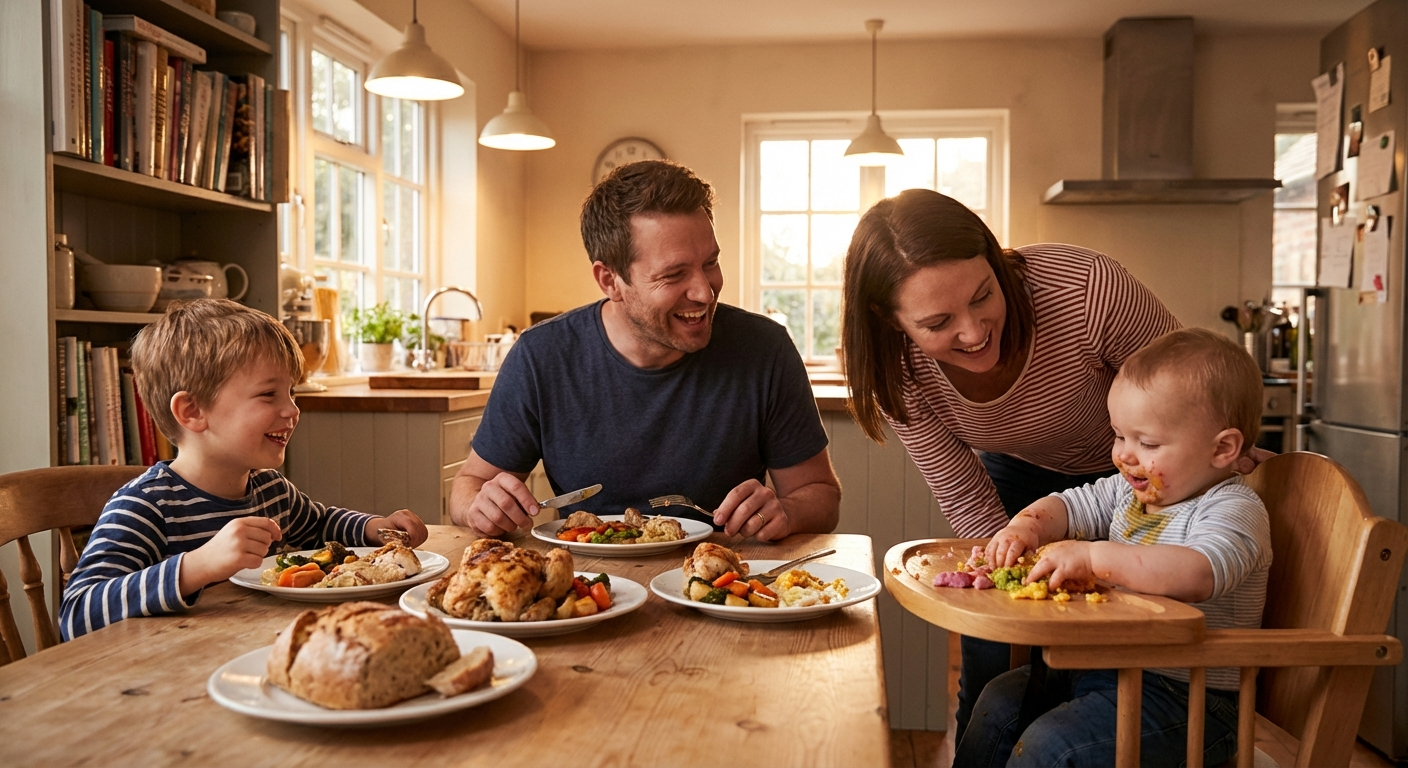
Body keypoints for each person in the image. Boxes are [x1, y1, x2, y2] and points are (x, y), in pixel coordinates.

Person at [840, 188, 1186, 741]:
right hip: (1022, 477)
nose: (975, 332)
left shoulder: (1088, 291)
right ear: (890, 321)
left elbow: (1188, 399)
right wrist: (1018, 579)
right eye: (938, 322)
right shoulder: (896, 370)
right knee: (992, 642)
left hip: (1143, 479)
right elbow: (964, 496)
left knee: (1117, 634)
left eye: (983, 296)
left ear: (996, 260)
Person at [450, 160, 840, 540]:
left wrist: (786, 512)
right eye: (674, 274)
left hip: (725, 584)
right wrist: (481, 506)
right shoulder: (541, 356)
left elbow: (821, 496)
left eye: (711, 262)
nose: (704, 291)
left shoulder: (764, 350)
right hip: (587, 589)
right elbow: (468, 487)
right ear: (610, 280)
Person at [953, 328, 1272, 767]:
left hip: (1189, 698)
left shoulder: (1232, 508)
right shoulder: (1132, 493)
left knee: (1050, 746)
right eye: (1120, 435)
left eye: (1149, 443)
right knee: (999, 705)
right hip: (1107, 669)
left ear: (1223, 449)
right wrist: (1026, 527)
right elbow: (1070, 504)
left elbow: (1198, 573)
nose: (1124, 455)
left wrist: (1094, 557)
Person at [59, 299, 427, 640]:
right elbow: (76, 614)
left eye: (291, 393)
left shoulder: (271, 489)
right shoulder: (145, 507)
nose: (291, 410)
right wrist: (196, 566)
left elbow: (321, 525)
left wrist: (372, 527)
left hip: (251, 648)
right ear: (192, 411)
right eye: (269, 395)